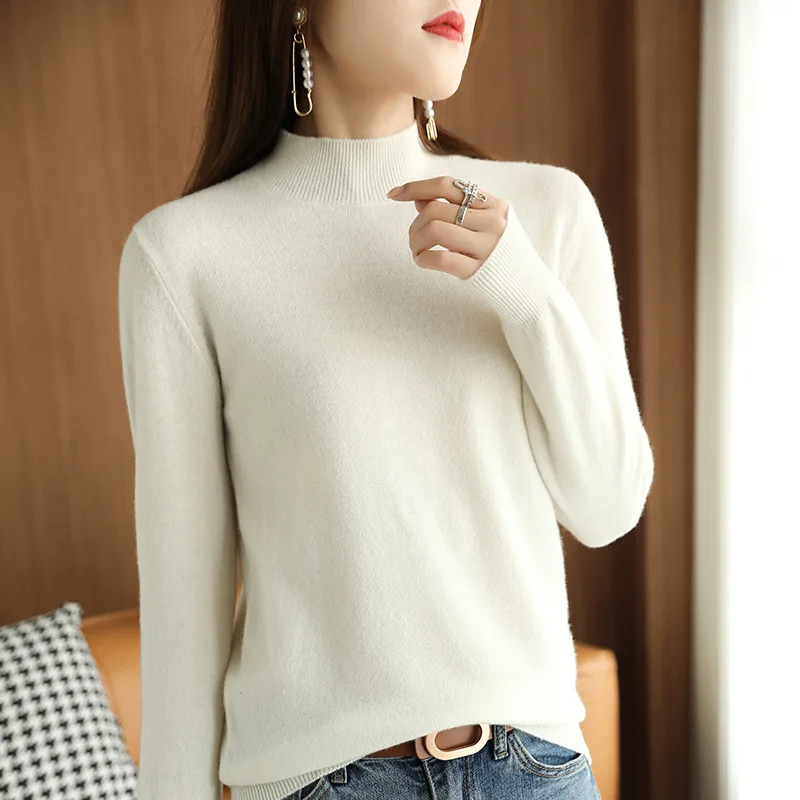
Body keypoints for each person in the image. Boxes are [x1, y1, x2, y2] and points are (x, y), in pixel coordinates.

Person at [117, 0, 654, 798]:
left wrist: (523, 290)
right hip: (325, 780)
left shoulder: (547, 213)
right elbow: (183, 606)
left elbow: (607, 505)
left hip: (538, 771)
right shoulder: (185, 255)